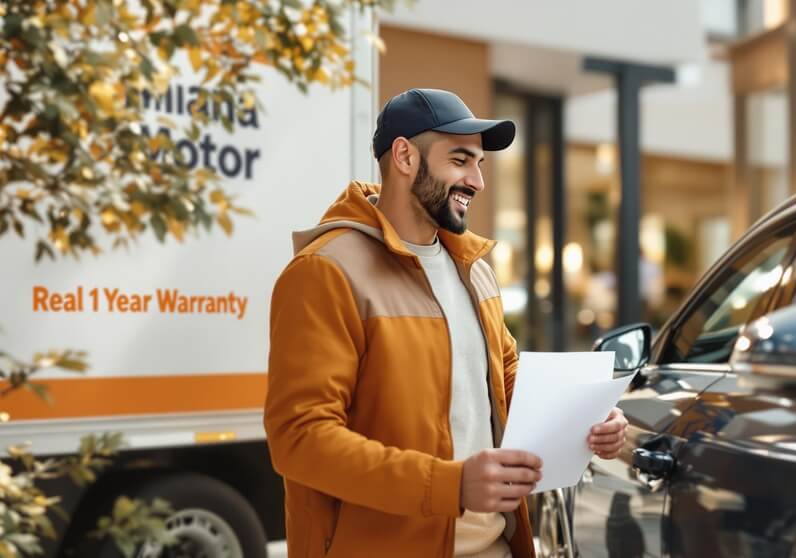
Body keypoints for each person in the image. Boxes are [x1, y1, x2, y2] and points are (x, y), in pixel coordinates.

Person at [264, 88, 628, 558]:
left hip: (497, 546)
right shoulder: (327, 271)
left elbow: (506, 382)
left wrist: (587, 420)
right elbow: (300, 439)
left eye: (479, 164)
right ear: (404, 156)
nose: (476, 180)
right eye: (460, 160)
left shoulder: (474, 269)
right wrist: (450, 486)